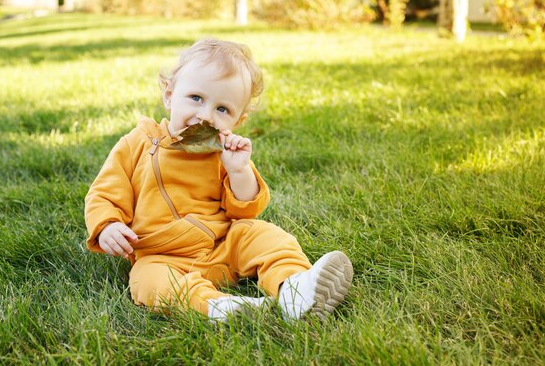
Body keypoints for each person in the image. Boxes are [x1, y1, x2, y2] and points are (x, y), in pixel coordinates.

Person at [85, 38, 353, 323]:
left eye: (222, 109)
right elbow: (104, 193)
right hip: (162, 255)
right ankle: (222, 307)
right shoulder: (137, 143)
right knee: (146, 280)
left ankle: (295, 288)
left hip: (222, 245)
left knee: (262, 234)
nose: (205, 116)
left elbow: (244, 210)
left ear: (238, 120)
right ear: (169, 94)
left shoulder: (223, 153)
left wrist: (239, 171)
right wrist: (108, 225)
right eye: (196, 98)